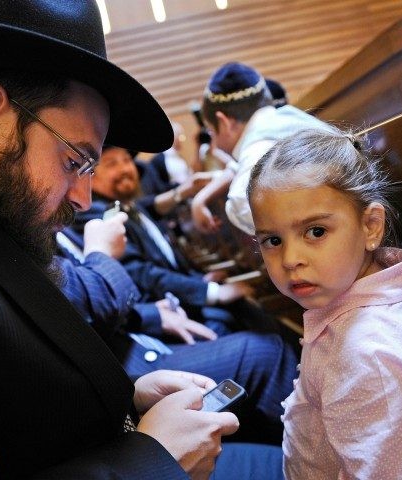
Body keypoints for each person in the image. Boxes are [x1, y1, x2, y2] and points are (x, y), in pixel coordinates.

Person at [0, 2, 250, 478]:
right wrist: (153, 458)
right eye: (76, 161)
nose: (85, 197)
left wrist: (127, 395)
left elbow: (5, 396)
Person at [246, 128, 402, 479]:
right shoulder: (351, 294)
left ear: (370, 226)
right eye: (273, 240)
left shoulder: (365, 357)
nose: (291, 259)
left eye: (316, 232)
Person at [56, 215, 298, 446]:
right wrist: (101, 252)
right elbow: (96, 300)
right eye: (76, 168)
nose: (83, 196)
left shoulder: (55, 225)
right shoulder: (42, 238)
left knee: (222, 322)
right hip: (121, 369)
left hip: (132, 339)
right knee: (266, 352)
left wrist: (153, 314)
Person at [74, 145, 274, 337]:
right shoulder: (99, 215)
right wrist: (212, 292)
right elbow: (140, 272)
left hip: (183, 295)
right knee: (245, 324)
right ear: (90, 175)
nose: (125, 169)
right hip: (165, 311)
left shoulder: (126, 204)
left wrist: (199, 280)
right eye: (111, 164)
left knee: (247, 312)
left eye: (127, 160)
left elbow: (153, 206)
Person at [190, 62, 333, 236]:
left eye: (212, 130)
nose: (214, 141)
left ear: (224, 122)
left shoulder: (257, 153)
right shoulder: (290, 117)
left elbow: (242, 201)